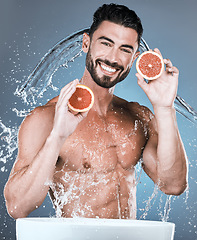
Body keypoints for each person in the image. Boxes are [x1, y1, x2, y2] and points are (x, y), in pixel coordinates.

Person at [4, 3, 188, 220]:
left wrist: (165, 108)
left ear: (134, 57)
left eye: (125, 49)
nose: (113, 57)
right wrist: (57, 136)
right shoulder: (46, 117)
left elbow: (173, 185)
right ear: (86, 43)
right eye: (106, 43)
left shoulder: (139, 117)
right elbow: (17, 207)